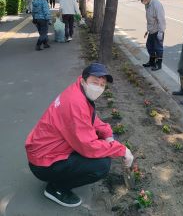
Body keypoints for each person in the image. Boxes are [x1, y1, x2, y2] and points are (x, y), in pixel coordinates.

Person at [25, 63, 134, 208]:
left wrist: (107, 134)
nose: (99, 88)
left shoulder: (78, 90)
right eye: (95, 83)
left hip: (47, 150)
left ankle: (59, 176)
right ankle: (57, 189)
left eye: (102, 85)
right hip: (44, 162)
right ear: (83, 80)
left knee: (102, 141)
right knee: (101, 165)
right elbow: (88, 147)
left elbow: (91, 119)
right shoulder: (75, 103)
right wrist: (121, 149)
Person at [139, 0, 166, 71]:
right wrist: (148, 30)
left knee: (158, 48)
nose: (141, 1)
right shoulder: (147, 4)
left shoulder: (156, 5)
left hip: (158, 30)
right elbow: (150, 19)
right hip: (151, 30)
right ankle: (152, 62)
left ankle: (158, 64)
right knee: (149, 46)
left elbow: (161, 19)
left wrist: (161, 32)